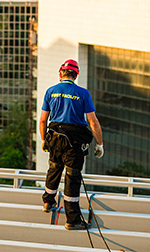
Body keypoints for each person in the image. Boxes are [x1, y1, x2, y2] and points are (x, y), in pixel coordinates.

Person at [40, 59, 104, 230]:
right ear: (75, 75)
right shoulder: (83, 94)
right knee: (72, 178)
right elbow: (93, 123)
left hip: (54, 138)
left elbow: (43, 120)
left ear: (61, 73)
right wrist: (99, 144)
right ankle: (72, 220)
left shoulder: (51, 91)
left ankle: (47, 202)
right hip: (73, 143)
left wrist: (44, 140)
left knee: (53, 170)